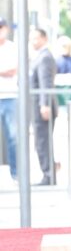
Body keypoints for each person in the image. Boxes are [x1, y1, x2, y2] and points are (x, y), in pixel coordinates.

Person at [29, 28, 58, 186]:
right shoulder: (39, 56)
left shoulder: (45, 57)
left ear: (44, 39)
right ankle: (48, 174)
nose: (33, 42)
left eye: (36, 38)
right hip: (39, 106)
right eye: (31, 38)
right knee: (41, 141)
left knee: (43, 141)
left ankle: (48, 175)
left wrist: (45, 105)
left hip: (43, 107)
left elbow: (45, 83)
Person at [0, 18, 18, 181]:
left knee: (13, 137)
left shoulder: (12, 47)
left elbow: (13, 70)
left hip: (9, 96)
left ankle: (16, 172)